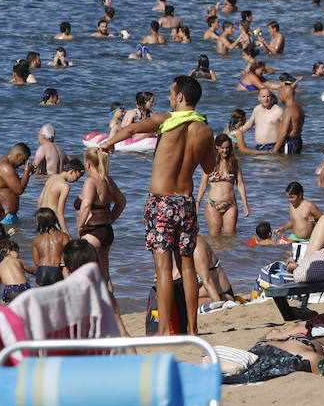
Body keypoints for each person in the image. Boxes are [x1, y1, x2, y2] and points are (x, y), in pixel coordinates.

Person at [101, 75, 217, 336]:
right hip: (186, 203)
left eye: (171, 93)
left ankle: (165, 330)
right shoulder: (206, 131)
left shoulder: (165, 120)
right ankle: (193, 329)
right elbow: (210, 168)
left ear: (180, 97)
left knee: (164, 269)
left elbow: (131, 130)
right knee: (187, 267)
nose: (168, 98)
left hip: (162, 202)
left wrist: (107, 144)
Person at [77, 146, 126, 279]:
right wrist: (110, 219)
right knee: (105, 274)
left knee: (87, 275)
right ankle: (109, 298)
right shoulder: (108, 181)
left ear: (88, 163)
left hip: (92, 231)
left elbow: (86, 205)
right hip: (107, 231)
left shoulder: (91, 182)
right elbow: (122, 202)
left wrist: (80, 226)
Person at [197, 134, 250, 235]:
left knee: (230, 237)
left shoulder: (234, 163)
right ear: (216, 147)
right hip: (213, 204)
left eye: (227, 148)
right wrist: (197, 202)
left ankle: (229, 252)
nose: (225, 151)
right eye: (222, 148)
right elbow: (203, 185)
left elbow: (240, 185)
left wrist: (245, 204)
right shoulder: (210, 163)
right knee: (214, 236)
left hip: (230, 205)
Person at [35, 157, 82, 232]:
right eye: (77, 177)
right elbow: (59, 212)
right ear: (71, 172)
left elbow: (39, 200)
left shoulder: (52, 178)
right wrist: (66, 233)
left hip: (41, 215)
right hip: (51, 217)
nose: (76, 180)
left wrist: (38, 218)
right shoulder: (65, 186)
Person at [0, 143, 33, 222]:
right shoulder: (6, 168)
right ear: (17, 156)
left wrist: (28, 175)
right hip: (2, 217)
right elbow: (19, 190)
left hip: (1, 215)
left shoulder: (1, 163)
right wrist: (26, 173)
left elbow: (14, 185)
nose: (23, 164)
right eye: (23, 160)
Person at [31, 207, 70, 286]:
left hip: (42, 269)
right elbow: (67, 257)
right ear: (54, 219)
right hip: (57, 269)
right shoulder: (63, 236)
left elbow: (36, 262)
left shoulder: (36, 239)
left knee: (40, 297)